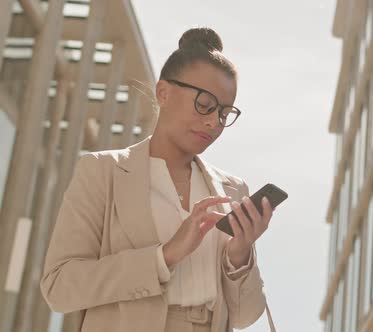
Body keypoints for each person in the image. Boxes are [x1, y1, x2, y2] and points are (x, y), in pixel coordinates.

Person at [40, 27, 275, 332]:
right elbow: (59, 287)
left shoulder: (232, 190)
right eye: (204, 104)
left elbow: (245, 317)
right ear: (163, 92)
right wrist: (165, 256)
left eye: (224, 112)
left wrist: (240, 256)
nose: (213, 122)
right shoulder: (103, 171)